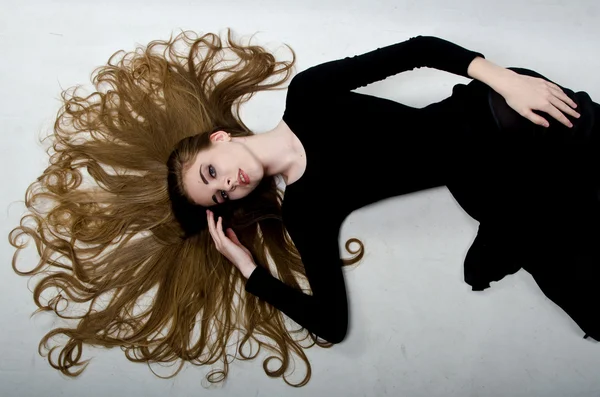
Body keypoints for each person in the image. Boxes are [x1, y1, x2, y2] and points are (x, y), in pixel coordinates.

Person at [10, 29, 597, 387]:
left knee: (572, 156)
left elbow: (419, 49)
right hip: (485, 184)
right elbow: (332, 325)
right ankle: (513, 227)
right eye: (219, 194)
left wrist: (504, 80)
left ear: (219, 139)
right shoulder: (306, 211)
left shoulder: (310, 94)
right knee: (581, 287)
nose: (229, 184)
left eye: (213, 173)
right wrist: (248, 271)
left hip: (497, 117)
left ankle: (515, 219)